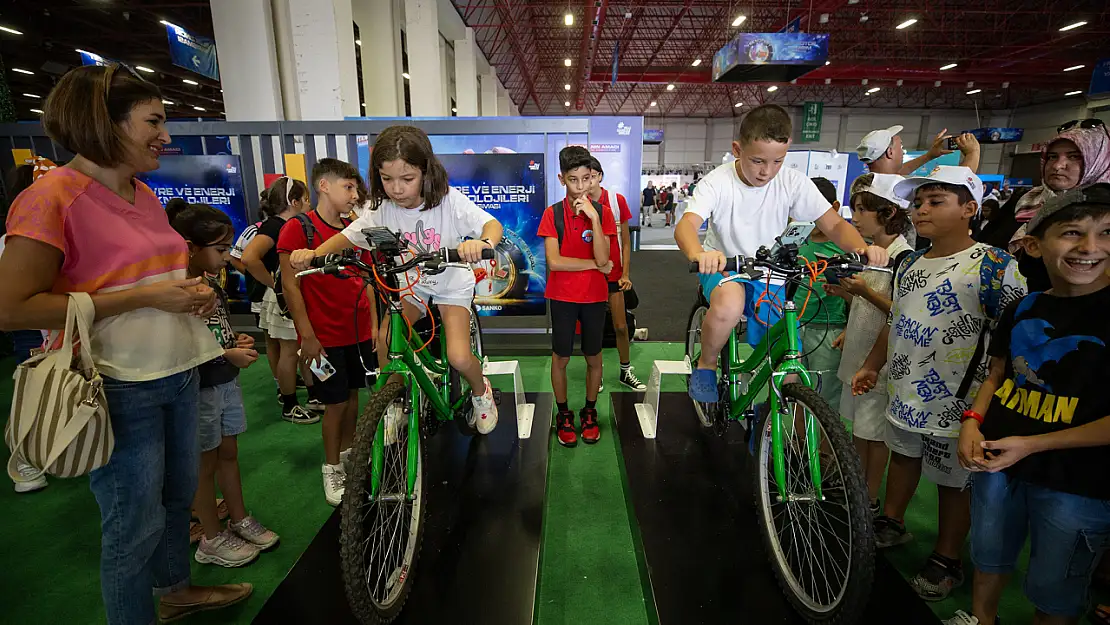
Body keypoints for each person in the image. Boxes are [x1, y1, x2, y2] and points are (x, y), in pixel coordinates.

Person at [0, 64, 250, 624]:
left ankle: (176, 592)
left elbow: (144, 278)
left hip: (178, 370)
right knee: (131, 525)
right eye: (154, 122)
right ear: (103, 124)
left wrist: (188, 293)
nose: (166, 135)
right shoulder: (50, 199)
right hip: (115, 383)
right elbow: (11, 306)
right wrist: (148, 299)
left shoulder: (143, 193)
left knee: (174, 499)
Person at [851, 165, 1027, 601]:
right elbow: (898, 318)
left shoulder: (993, 265)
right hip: (906, 390)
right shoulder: (909, 261)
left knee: (953, 480)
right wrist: (875, 364)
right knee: (904, 456)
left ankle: (947, 557)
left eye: (936, 202)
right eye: (919, 202)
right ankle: (892, 520)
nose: (921, 210)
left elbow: (1011, 337)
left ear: (969, 209)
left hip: (958, 402)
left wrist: (990, 399)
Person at [946, 184, 1110, 625]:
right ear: (1036, 245)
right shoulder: (1025, 307)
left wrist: (1033, 445)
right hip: (999, 460)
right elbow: (997, 374)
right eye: (1072, 233)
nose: (1089, 248)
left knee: (1055, 587)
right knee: (989, 553)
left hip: (1077, 480)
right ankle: (983, 618)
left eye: (1106, 234)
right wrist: (972, 421)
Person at [289, 127, 502, 441]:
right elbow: (349, 235)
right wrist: (314, 254)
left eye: (407, 178)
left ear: (425, 172)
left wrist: (482, 242)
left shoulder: (448, 202)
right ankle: (396, 400)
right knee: (387, 339)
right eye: (387, 179)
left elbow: (490, 224)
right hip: (411, 284)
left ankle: (480, 391)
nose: (397, 189)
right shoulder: (382, 209)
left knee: (458, 356)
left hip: (450, 283)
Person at [677, 104, 889, 403]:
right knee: (729, 305)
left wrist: (862, 248)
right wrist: (698, 253)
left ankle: (774, 423)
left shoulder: (792, 181)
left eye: (778, 161)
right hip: (726, 266)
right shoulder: (718, 181)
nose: (767, 171)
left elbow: (834, 224)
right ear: (737, 149)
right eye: (757, 161)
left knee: (790, 356)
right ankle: (707, 364)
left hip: (770, 271)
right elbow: (687, 224)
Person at [166, 199, 279, 568]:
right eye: (219, 249)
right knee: (205, 462)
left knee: (228, 452)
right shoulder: (176, 287)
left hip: (225, 381)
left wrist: (233, 345)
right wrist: (223, 354)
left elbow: (217, 328)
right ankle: (211, 537)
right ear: (191, 247)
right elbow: (181, 342)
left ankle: (238, 516)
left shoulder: (212, 279)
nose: (226, 256)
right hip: (199, 386)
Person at [277, 158, 375, 506]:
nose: (353, 196)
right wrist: (308, 337)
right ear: (324, 186)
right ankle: (331, 466)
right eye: (348, 187)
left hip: (359, 333)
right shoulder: (298, 229)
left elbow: (369, 281)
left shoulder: (354, 228)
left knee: (352, 399)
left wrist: (375, 327)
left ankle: (348, 456)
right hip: (325, 337)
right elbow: (291, 288)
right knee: (334, 404)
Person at [829, 173, 915, 517]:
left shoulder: (904, 258)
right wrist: (849, 323)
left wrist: (864, 292)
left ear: (888, 212)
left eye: (862, 210)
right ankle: (855, 488)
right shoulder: (867, 253)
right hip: (859, 349)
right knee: (859, 430)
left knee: (874, 435)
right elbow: (865, 303)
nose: (855, 218)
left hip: (880, 362)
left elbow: (902, 312)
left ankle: (869, 498)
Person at [540, 146, 616, 447]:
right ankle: (563, 414)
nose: (582, 187)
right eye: (574, 180)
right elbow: (555, 262)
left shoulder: (604, 214)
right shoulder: (552, 214)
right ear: (562, 179)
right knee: (561, 357)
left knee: (593, 356)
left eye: (587, 179)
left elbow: (604, 255)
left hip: (595, 298)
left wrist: (595, 220)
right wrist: (596, 266)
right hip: (562, 296)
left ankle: (589, 410)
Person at [241, 176, 321, 424]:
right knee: (289, 351)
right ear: (294, 201)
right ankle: (290, 405)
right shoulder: (276, 226)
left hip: (292, 294)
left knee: (301, 348)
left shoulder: (294, 225)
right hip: (284, 297)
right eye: (306, 199)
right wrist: (274, 284)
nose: (309, 204)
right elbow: (249, 257)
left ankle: (313, 395)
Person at [996, 122, 1110, 292]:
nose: (1057, 166)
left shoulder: (1105, 209)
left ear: (1098, 160)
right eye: (1052, 157)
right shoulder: (1024, 202)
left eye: (1074, 156)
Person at [587, 157, 645, 391]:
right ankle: (596, 373)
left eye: (591, 176)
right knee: (595, 328)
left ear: (600, 176)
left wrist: (626, 274)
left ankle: (625, 371)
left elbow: (624, 242)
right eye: (583, 177)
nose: (587, 182)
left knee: (621, 326)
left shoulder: (615, 200)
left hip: (614, 275)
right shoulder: (578, 204)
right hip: (591, 274)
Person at [793, 177, 848, 410]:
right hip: (793, 325)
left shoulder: (846, 244)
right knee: (792, 390)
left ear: (833, 208)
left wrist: (850, 328)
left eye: (813, 211)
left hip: (829, 329)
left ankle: (825, 447)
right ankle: (797, 442)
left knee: (824, 398)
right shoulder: (796, 239)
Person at [857, 125, 982, 177]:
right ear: (890, 152)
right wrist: (973, 153)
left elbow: (896, 172)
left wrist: (929, 156)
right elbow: (959, 185)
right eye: (900, 146)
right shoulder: (901, 189)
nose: (903, 151)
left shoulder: (863, 184)